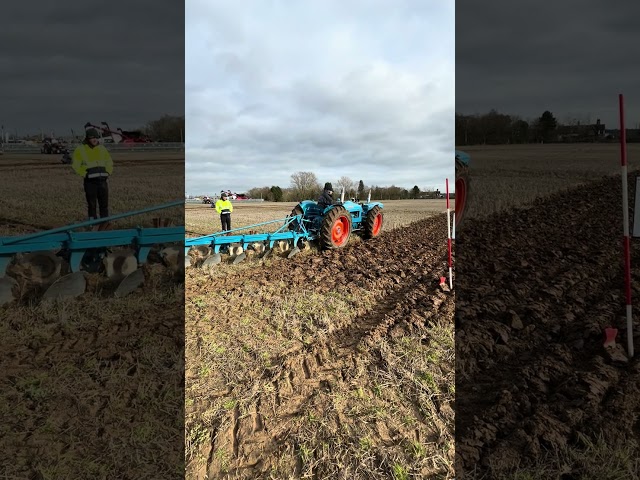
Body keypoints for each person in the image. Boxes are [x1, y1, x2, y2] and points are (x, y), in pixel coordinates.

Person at [71, 128, 113, 221]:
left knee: (104, 204)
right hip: (90, 182)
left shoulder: (102, 149)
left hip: (102, 180)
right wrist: (84, 174)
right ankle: (92, 223)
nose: (94, 140)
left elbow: (109, 161)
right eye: (92, 138)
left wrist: (108, 172)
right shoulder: (80, 149)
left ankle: (105, 223)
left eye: (96, 137)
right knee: (92, 204)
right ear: (87, 138)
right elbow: (76, 165)